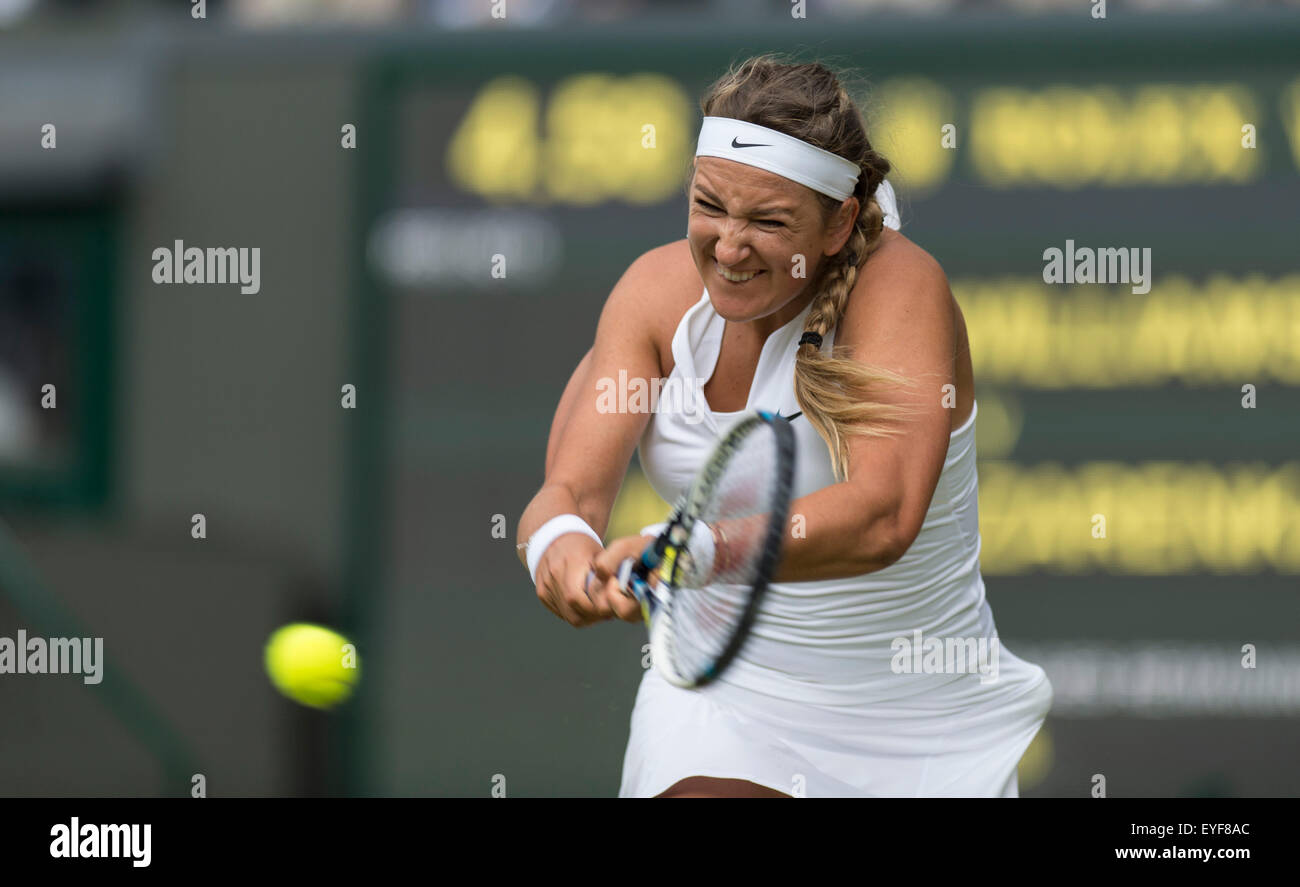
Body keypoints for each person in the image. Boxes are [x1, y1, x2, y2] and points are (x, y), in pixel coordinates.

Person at [516, 54, 1052, 797]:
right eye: (709, 205)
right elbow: (567, 490)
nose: (729, 246)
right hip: (721, 695)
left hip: (913, 714)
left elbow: (883, 516)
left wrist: (693, 551)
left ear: (838, 223)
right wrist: (561, 549)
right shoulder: (651, 293)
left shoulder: (901, 289)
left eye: (769, 222)